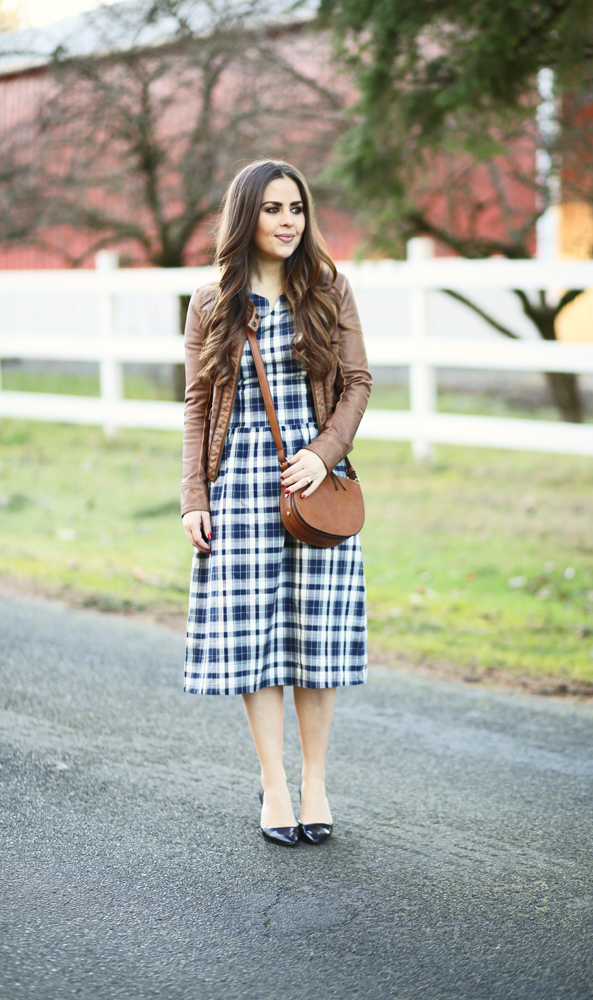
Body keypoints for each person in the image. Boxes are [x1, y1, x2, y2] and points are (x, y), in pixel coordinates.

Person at [180, 159, 371, 847]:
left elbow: (357, 383)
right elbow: (198, 405)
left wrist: (323, 454)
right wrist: (193, 496)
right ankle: (276, 786)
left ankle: (316, 783)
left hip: (315, 481)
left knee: (316, 636)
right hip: (240, 484)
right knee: (254, 638)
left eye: (296, 208)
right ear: (246, 216)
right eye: (273, 209)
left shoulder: (329, 289)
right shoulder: (212, 301)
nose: (288, 220)